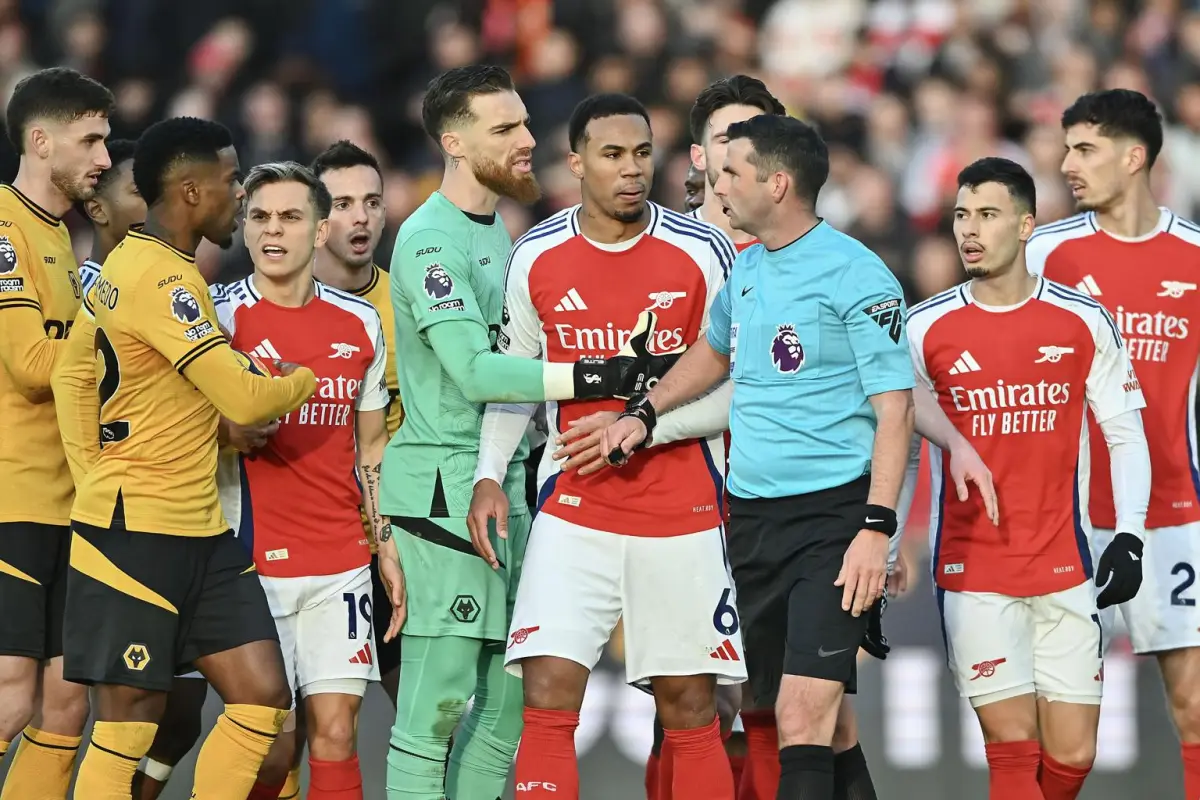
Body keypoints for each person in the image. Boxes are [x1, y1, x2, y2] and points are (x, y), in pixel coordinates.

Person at [380, 65, 678, 800]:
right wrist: (595, 377)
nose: (527, 141)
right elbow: (479, 375)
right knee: (438, 708)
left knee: (512, 707)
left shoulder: (499, 231)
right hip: (443, 493)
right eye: (504, 129)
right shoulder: (428, 243)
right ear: (454, 142)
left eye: (524, 124)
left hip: (510, 487)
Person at [597, 114, 915, 800]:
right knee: (805, 720)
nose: (718, 180)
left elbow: (897, 409)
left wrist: (877, 529)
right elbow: (713, 352)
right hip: (748, 520)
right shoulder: (745, 269)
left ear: (778, 183)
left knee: (803, 714)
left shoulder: (859, 275)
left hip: (834, 522)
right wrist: (646, 414)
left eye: (733, 171)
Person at [477, 92, 741, 800]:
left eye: (643, 154)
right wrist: (488, 474)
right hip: (573, 505)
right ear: (576, 163)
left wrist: (647, 425)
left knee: (691, 707)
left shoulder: (702, 252)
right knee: (549, 695)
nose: (633, 170)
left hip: (682, 506)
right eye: (614, 155)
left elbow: (739, 386)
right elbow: (516, 380)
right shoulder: (536, 254)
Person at [62, 116, 316, 799]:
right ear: (191, 189)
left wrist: (99, 461)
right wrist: (302, 376)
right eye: (233, 181)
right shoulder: (162, 281)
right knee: (129, 725)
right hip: (134, 534)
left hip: (199, 529)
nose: (240, 195)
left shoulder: (135, 266)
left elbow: (73, 376)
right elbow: (244, 394)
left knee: (263, 695)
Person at [910, 156, 1150, 799]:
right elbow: (897, 442)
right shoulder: (923, 327)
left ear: (1025, 225)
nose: (970, 230)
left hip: (1065, 564)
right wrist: (886, 531)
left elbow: (1125, 433)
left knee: (1072, 755)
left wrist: (1129, 535)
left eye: (987, 215)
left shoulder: (1082, 319)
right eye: (961, 215)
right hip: (973, 569)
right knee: (1013, 754)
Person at [1025, 89, 1200, 798]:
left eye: (1084, 149)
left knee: (1193, 704)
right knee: (1062, 737)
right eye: (1066, 148)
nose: (1067, 164)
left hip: (1173, 514)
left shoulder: (1194, 257)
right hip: (1065, 519)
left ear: (1135, 158)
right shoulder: (1041, 253)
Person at [210, 161, 403, 800]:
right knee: (272, 739)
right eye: (260, 217)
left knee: (337, 732)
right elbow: (175, 424)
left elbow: (370, 444)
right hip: (247, 560)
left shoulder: (360, 324)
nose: (273, 231)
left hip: (341, 559)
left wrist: (387, 545)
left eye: (291, 217)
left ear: (319, 230)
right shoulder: (217, 317)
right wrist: (225, 432)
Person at [0, 66, 113, 800]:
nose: (104, 157)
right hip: (14, 497)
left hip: (74, 503)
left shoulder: (61, 241)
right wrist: (110, 323)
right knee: (11, 694)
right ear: (41, 141)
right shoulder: (5, 230)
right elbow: (32, 362)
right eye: (91, 139)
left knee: (68, 701)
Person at [311, 139, 404, 707]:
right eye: (343, 203)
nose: (361, 216)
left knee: (429, 714)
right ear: (317, 219)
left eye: (371, 201)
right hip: (308, 542)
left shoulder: (410, 305)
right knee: (290, 732)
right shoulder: (271, 306)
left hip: (393, 540)